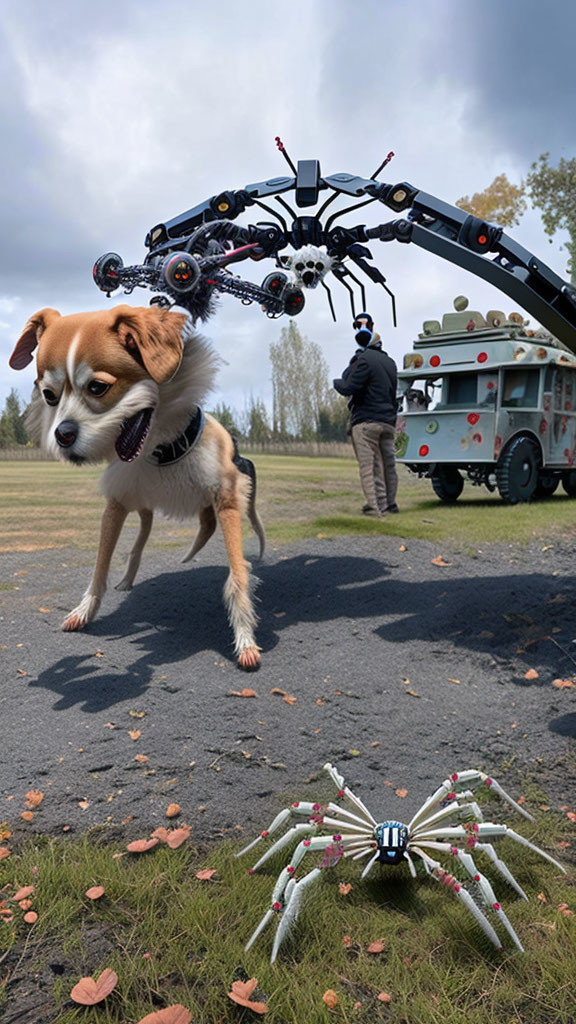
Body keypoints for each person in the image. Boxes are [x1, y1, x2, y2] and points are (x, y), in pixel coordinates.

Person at [333, 313, 398, 518]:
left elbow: (348, 386)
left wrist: (336, 382)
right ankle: (390, 504)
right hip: (388, 421)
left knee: (369, 466)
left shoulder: (363, 360)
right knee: (388, 464)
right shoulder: (390, 363)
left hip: (367, 420)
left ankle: (374, 507)